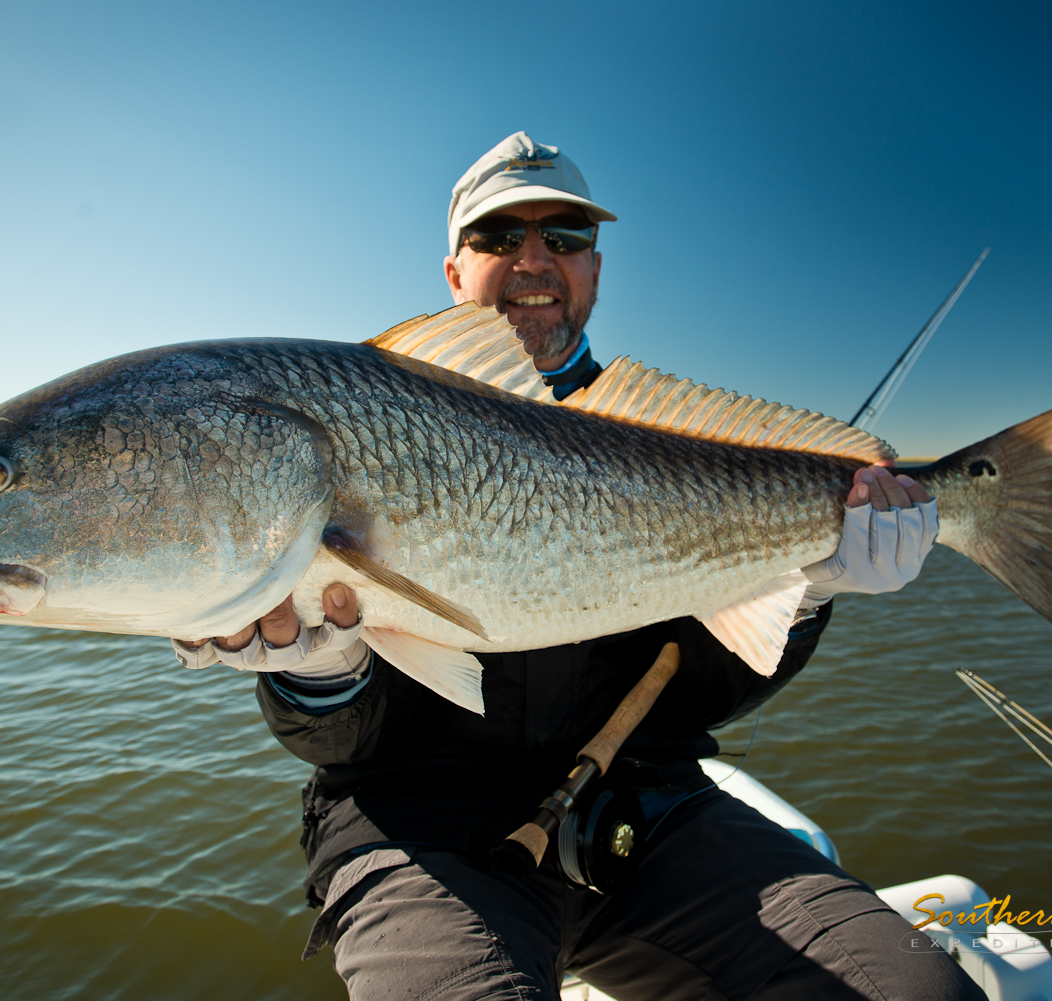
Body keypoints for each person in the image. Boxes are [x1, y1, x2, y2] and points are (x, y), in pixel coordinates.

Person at [174, 133, 978, 1000]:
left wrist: (808, 589)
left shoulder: (672, 442)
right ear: (453, 273)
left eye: (563, 236)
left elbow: (696, 697)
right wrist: (326, 670)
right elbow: (344, 746)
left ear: (594, 268)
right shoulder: (363, 407)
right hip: (419, 834)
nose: (533, 257)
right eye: (498, 236)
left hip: (645, 815)